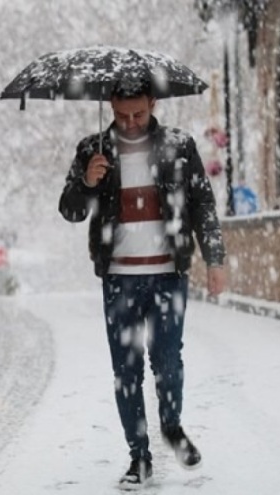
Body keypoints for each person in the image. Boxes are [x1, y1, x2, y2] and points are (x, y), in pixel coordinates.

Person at [58, 79, 227, 490]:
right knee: (126, 371)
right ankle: (140, 457)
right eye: (121, 115)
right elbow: (70, 210)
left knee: (168, 362)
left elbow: (202, 202)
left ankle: (171, 425)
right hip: (119, 279)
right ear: (110, 106)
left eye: (138, 113)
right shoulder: (91, 150)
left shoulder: (179, 145)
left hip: (169, 274)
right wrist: (87, 183)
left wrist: (215, 258)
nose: (131, 123)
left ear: (153, 103)